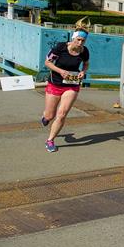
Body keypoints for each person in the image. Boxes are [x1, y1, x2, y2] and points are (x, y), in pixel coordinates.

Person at [41, 18, 91, 153]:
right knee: (50, 115)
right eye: (78, 40)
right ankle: (46, 118)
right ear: (73, 38)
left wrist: (83, 72)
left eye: (83, 41)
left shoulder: (84, 51)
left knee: (62, 114)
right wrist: (60, 71)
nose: (80, 43)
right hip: (55, 83)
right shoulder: (61, 47)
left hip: (71, 85)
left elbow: (86, 64)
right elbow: (48, 62)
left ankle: (50, 140)